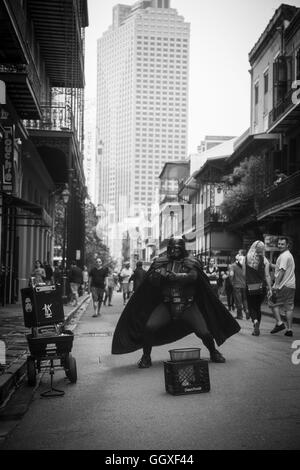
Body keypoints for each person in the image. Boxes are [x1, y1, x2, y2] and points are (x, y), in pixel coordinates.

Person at [112, 237, 241, 368]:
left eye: (177, 248)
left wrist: (178, 277)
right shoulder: (160, 262)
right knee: (149, 327)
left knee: (204, 332)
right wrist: (158, 276)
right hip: (167, 305)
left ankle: (213, 352)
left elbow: (194, 276)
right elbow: (151, 280)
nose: (174, 251)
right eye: (172, 248)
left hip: (188, 305)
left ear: (182, 249)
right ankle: (146, 357)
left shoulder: (191, 262)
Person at [243, 241, 272, 336]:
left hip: (250, 286)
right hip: (261, 287)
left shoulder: (246, 258)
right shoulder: (265, 260)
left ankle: (255, 321)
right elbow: (267, 275)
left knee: (251, 306)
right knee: (257, 307)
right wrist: (270, 288)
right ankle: (257, 327)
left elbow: (243, 274)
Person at [269, 237, 296, 337]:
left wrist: (276, 285)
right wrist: (270, 265)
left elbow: (282, 271)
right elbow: (279, 267)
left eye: (282, 244)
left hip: (283, 285)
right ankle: (289, 330)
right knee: (288, 307)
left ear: (287, 245)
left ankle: (279, 323)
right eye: (279, 244)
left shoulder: (284, 256)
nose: (279, 246)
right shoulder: (288, 255)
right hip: (291, 285)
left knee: (272, 302)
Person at [229, 254, 248, 320]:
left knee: (238, 301)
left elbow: (231, 275)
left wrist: (231, 282)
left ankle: (239, 315)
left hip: (236, 286)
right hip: (244, 285)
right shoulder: (245, 266)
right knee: (245, 299)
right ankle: (247, 311)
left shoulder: (233, 266)